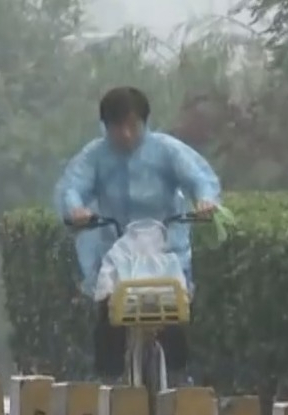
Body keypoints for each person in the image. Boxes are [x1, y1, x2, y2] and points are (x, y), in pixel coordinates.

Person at [53, 86, 222, 381]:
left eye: (133, 125)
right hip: (118, 249)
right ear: (106, 127)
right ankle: (109, 383)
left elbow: (198, 179)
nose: (127, 134)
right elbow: (73, 188)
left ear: (145, 122)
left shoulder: (166, 150)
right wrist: (76, 210)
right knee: (110, 316)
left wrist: (205, 201)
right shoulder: (95, 156)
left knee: (174, 315)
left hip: (165, 248)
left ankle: (178, 379)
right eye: (118, 127)